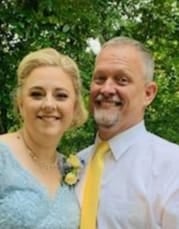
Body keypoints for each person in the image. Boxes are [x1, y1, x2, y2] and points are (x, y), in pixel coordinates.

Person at [76, 36, 179, 229]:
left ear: (148, 93)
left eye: (121, 80)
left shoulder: (173, 167)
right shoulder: (74, 165)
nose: (106, 89)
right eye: (100, 78)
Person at [0, 47, 87, 228]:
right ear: (20, 102)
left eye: (61, 96)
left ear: (75, 106)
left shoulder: (70, 168)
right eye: (37, 94)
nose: (49, 104)